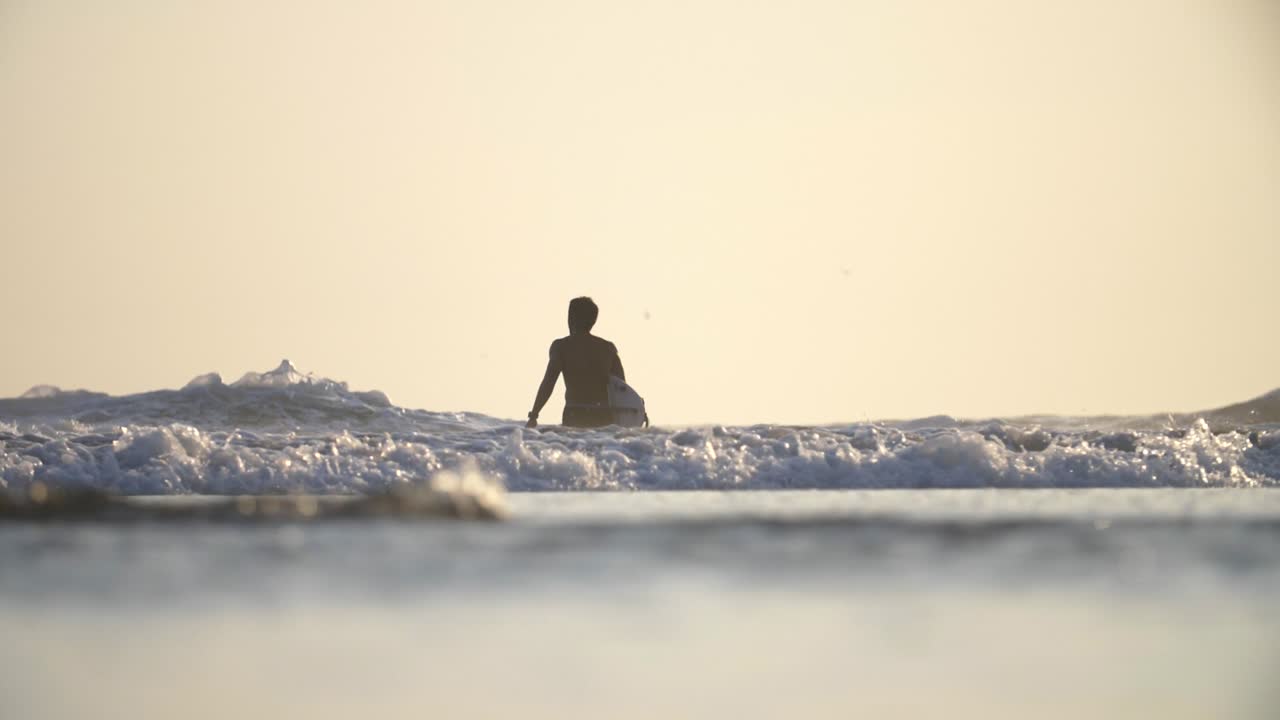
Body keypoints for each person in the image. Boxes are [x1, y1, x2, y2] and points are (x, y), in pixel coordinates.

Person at [526, 297, 625, 429]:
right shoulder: (608, 348)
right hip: (603, 414)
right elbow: (622, 387)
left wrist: (534, 415)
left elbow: (549, 382)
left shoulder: (561, 346)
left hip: (575, 413)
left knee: (575, 448)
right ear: (593, 321)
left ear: (571, 318)